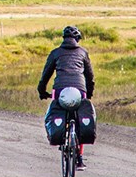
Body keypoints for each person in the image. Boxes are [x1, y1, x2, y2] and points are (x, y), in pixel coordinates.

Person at [37, 25, 96, 167]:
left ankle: (62, 137)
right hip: (79, 91)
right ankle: (79, 158)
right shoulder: (83, 53)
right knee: (80, 119)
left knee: (57, 112)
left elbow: (46, 75)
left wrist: (42, 91)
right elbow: (90, 76)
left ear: (63, 39)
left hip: (59, 91)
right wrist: (89, 93)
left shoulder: (55, 53)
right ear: (77, 39)